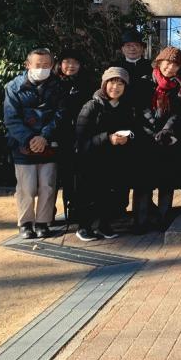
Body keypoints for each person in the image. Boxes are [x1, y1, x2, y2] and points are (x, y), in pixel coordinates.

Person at [3, 48, 65, 239]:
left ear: (52, 66)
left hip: (49, 142)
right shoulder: (13, 87)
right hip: (22, 145)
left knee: (48, 185)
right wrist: (30, 139)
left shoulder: (58, 86)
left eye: (46, 65)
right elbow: (11, 119)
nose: (42, 68)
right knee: (26, 188)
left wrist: (44, 137)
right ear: (28, 65)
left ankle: (43, 222)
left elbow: (61, 114)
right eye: (38, 65)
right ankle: (25, 223)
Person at [74, 67, 137, 241]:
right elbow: (80, 140)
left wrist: (127, 138)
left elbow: (132, 129)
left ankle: (104, 225)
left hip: (114, 159)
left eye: (120, 84)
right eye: (112, 83)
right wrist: (107, 138)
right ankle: (83, 227)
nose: (115, 87)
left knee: (109, 195)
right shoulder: (91, 106)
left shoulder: (126, 106)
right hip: (91, 159)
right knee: (88, 194)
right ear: (104, 84)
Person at [136, 46, 181, 231]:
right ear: (159, 62)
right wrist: (153, 129)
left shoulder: (179, 86)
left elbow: (178, 111)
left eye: (175, 65)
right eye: (168, 63)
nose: (171, 68)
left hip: (167, 138)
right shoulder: (144, 82)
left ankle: (163, 220)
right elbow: (140, 109)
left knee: (167, 180)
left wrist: (166, 130)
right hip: (145, 136)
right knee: (143, 182)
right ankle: (140, 222)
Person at [113, 28, 151, 215]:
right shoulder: (115, 68)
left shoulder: (151, 67)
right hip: (121, 120)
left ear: (142, 48)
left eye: (136, 45)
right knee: (121, 166)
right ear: (122, 49)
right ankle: (119, 206)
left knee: (144, 165)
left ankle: (144, 206)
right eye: (128, 46)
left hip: (146, 122)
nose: (132, 49)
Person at [54, 48, 92, 222]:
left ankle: (74, 208)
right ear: (60, 64)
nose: (71, 66)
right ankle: (49, 213)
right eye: (67, 62)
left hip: (80, 135)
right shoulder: (52, 83)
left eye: (75, 62)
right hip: (57, 135)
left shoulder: (87, 83)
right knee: (56, 177)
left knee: (77, 175)